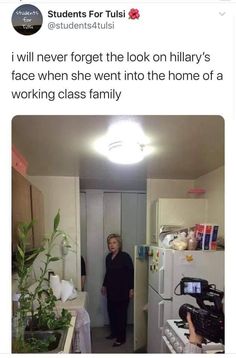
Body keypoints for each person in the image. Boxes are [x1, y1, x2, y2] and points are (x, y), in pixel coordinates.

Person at [101, 234, 134, 347]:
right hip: (111, 291)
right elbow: (108, 273)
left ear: (119, 244)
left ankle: (121, 338)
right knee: (112, 313)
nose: (111, 245)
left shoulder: (125, 257)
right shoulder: (108, 257)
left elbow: (131, 274)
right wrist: (104, 285)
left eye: (114, 242)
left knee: (121, 315)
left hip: (123, 291)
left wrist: (131, 289)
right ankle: (114, 333)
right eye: (110, 243)